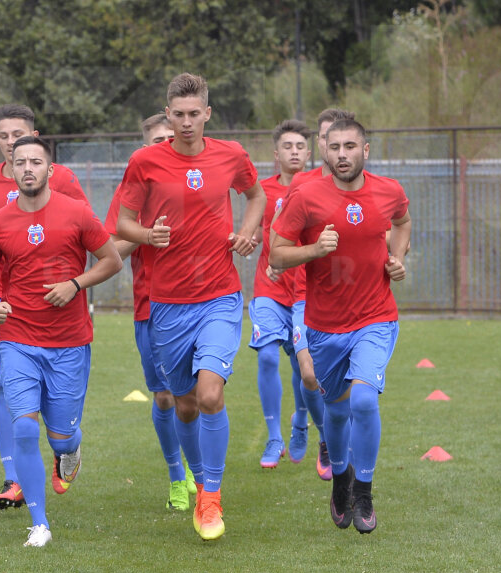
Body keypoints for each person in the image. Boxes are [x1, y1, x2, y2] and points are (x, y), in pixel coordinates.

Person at [116, 72, 265, 541]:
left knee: (209, 395)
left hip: (220, 295)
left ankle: (213, 496)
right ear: (167, 114)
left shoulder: (231, 155)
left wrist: (247, 232)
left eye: (193, 114)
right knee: (182, 405)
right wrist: (147, 235)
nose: (185, 122)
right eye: (176, 115)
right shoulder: (145, 161)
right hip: (167, 304)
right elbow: (121, 221)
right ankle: (199, 483)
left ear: (207, 113)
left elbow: (256, 195)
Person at [0, 136, 122, 547]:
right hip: (18, 339)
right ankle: (39, 523)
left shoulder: (77, 214)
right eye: (20, 161)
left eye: (35, 161)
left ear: (50, 169)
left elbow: (112, 260)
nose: (27, 168)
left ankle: (69, 450)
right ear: (12, 168)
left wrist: (76, 284)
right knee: (24, 427)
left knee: (61, 436)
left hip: (69, 342)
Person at [271, 117, 411, 535]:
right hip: (324, 326)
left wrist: (397, 257)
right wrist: (315, 248)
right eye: (335, 147)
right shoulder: (306, 196)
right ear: (324, 150)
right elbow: (276, 255)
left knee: (364, 401)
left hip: (376, 317)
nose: (343, 154)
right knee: (334, 410)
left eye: (351, 146)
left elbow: (402, 222)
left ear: (365, 151)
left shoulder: (389, 191)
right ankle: (340, 478)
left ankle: (364, 490)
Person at [0, 104, 91, 511]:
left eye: (18, 136)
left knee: (57, 421)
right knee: (6, 387)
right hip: (7, 310)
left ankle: (64, 446)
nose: (10, 143)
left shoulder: (66, 183)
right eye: (4, 137)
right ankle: (15, 477)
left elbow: (83, 234)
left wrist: (74, 286)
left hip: (58, 310)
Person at [103, 113, 197, 511]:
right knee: (163, 398)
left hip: (198, 303)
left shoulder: (191, 182)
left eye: (168, 138)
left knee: (195, 394)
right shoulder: (134, 191)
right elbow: (112, 250)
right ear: (144, 146)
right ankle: (177, 475)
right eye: (155, 140)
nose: (163, 145)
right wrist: (145, 233)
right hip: (150, 306)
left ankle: (198, 470)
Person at [248, 120, 325, 471]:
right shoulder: (262, 192)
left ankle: (303, 423)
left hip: (306, 291)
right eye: (287, 146)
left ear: (309, 154)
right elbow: (256, 231)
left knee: (302, 366)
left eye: (299, 146)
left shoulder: (320, 187)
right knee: (266, 357)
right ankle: (274, 436)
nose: (294, 151)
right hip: (269, 287)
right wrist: (246, 239)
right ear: (275, 153)